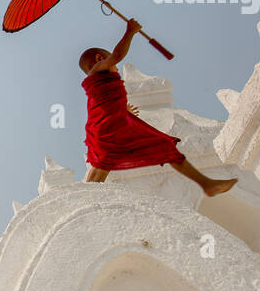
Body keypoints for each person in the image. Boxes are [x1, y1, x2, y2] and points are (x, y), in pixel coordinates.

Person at [79, 19, 237, 196]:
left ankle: (207, 184)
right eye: (112, 62)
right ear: (100, 59)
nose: (115, 66)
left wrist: (124, 111)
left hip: (109, 126)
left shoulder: (101, 82)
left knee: (102, 164)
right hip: (108, 128)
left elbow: (104, 105)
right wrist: (130, 32)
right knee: (104, 164)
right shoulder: (98, 71)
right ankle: (88, 195)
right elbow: (117, 55)